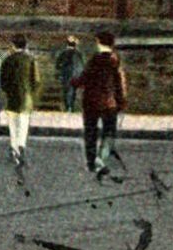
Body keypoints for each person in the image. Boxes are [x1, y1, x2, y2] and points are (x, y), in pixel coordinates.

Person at [70, 29, 126, 178]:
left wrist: (74, 82)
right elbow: (120, 83)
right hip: (110, 103)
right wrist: (121, 102)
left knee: (90, 133)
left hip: (92, 102)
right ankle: (101, 158)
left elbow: (84, 79)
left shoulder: (94, 60)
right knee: (109, 133)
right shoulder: (115, 60)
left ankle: (91, 162)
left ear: (99, 43)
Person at [0, 35, 40, 167]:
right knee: (23, 125)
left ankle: (13, 148)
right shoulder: (31, 60)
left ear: (13, 45)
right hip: (26, 98)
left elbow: (2, 81)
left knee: (12, 125)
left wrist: (8, 91)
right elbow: (36, 81)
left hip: (12, 98)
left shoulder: (7, 60)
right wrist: (30, 92)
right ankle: (21, 146)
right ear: (25, 46)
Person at [54, 36, 84, 113]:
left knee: (66, 91)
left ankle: (68, 107)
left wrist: (59, 73)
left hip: (66, 76)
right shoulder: (78, 54)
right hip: (75, 76)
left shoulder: (64, 53)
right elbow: (82, 66)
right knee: (73, 91)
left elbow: (57, 65)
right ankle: (71, 107)